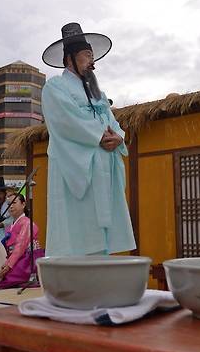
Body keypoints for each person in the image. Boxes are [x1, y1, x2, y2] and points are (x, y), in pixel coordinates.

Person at [40, 22, 136, 256]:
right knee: (77, 228)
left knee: (102, 230)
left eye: (92, 56)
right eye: (86, 55)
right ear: (69, 59)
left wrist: (119, 138)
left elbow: (113, 123)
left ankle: (100, 268)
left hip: (103, 165)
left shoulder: (98, 94)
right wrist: (98, 135)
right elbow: (66, 120)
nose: (91, 62)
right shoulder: (55, 87)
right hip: (76, 166)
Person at [0, 194, 44, 289]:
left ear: (23, 204)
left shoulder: (27, 223)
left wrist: (8, 265)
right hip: (17, 257)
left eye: (14, 203)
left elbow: (20, 246)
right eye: (9, 204)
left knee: (6, 279)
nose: (11, 206)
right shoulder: (11, 224)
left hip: (28, 258)